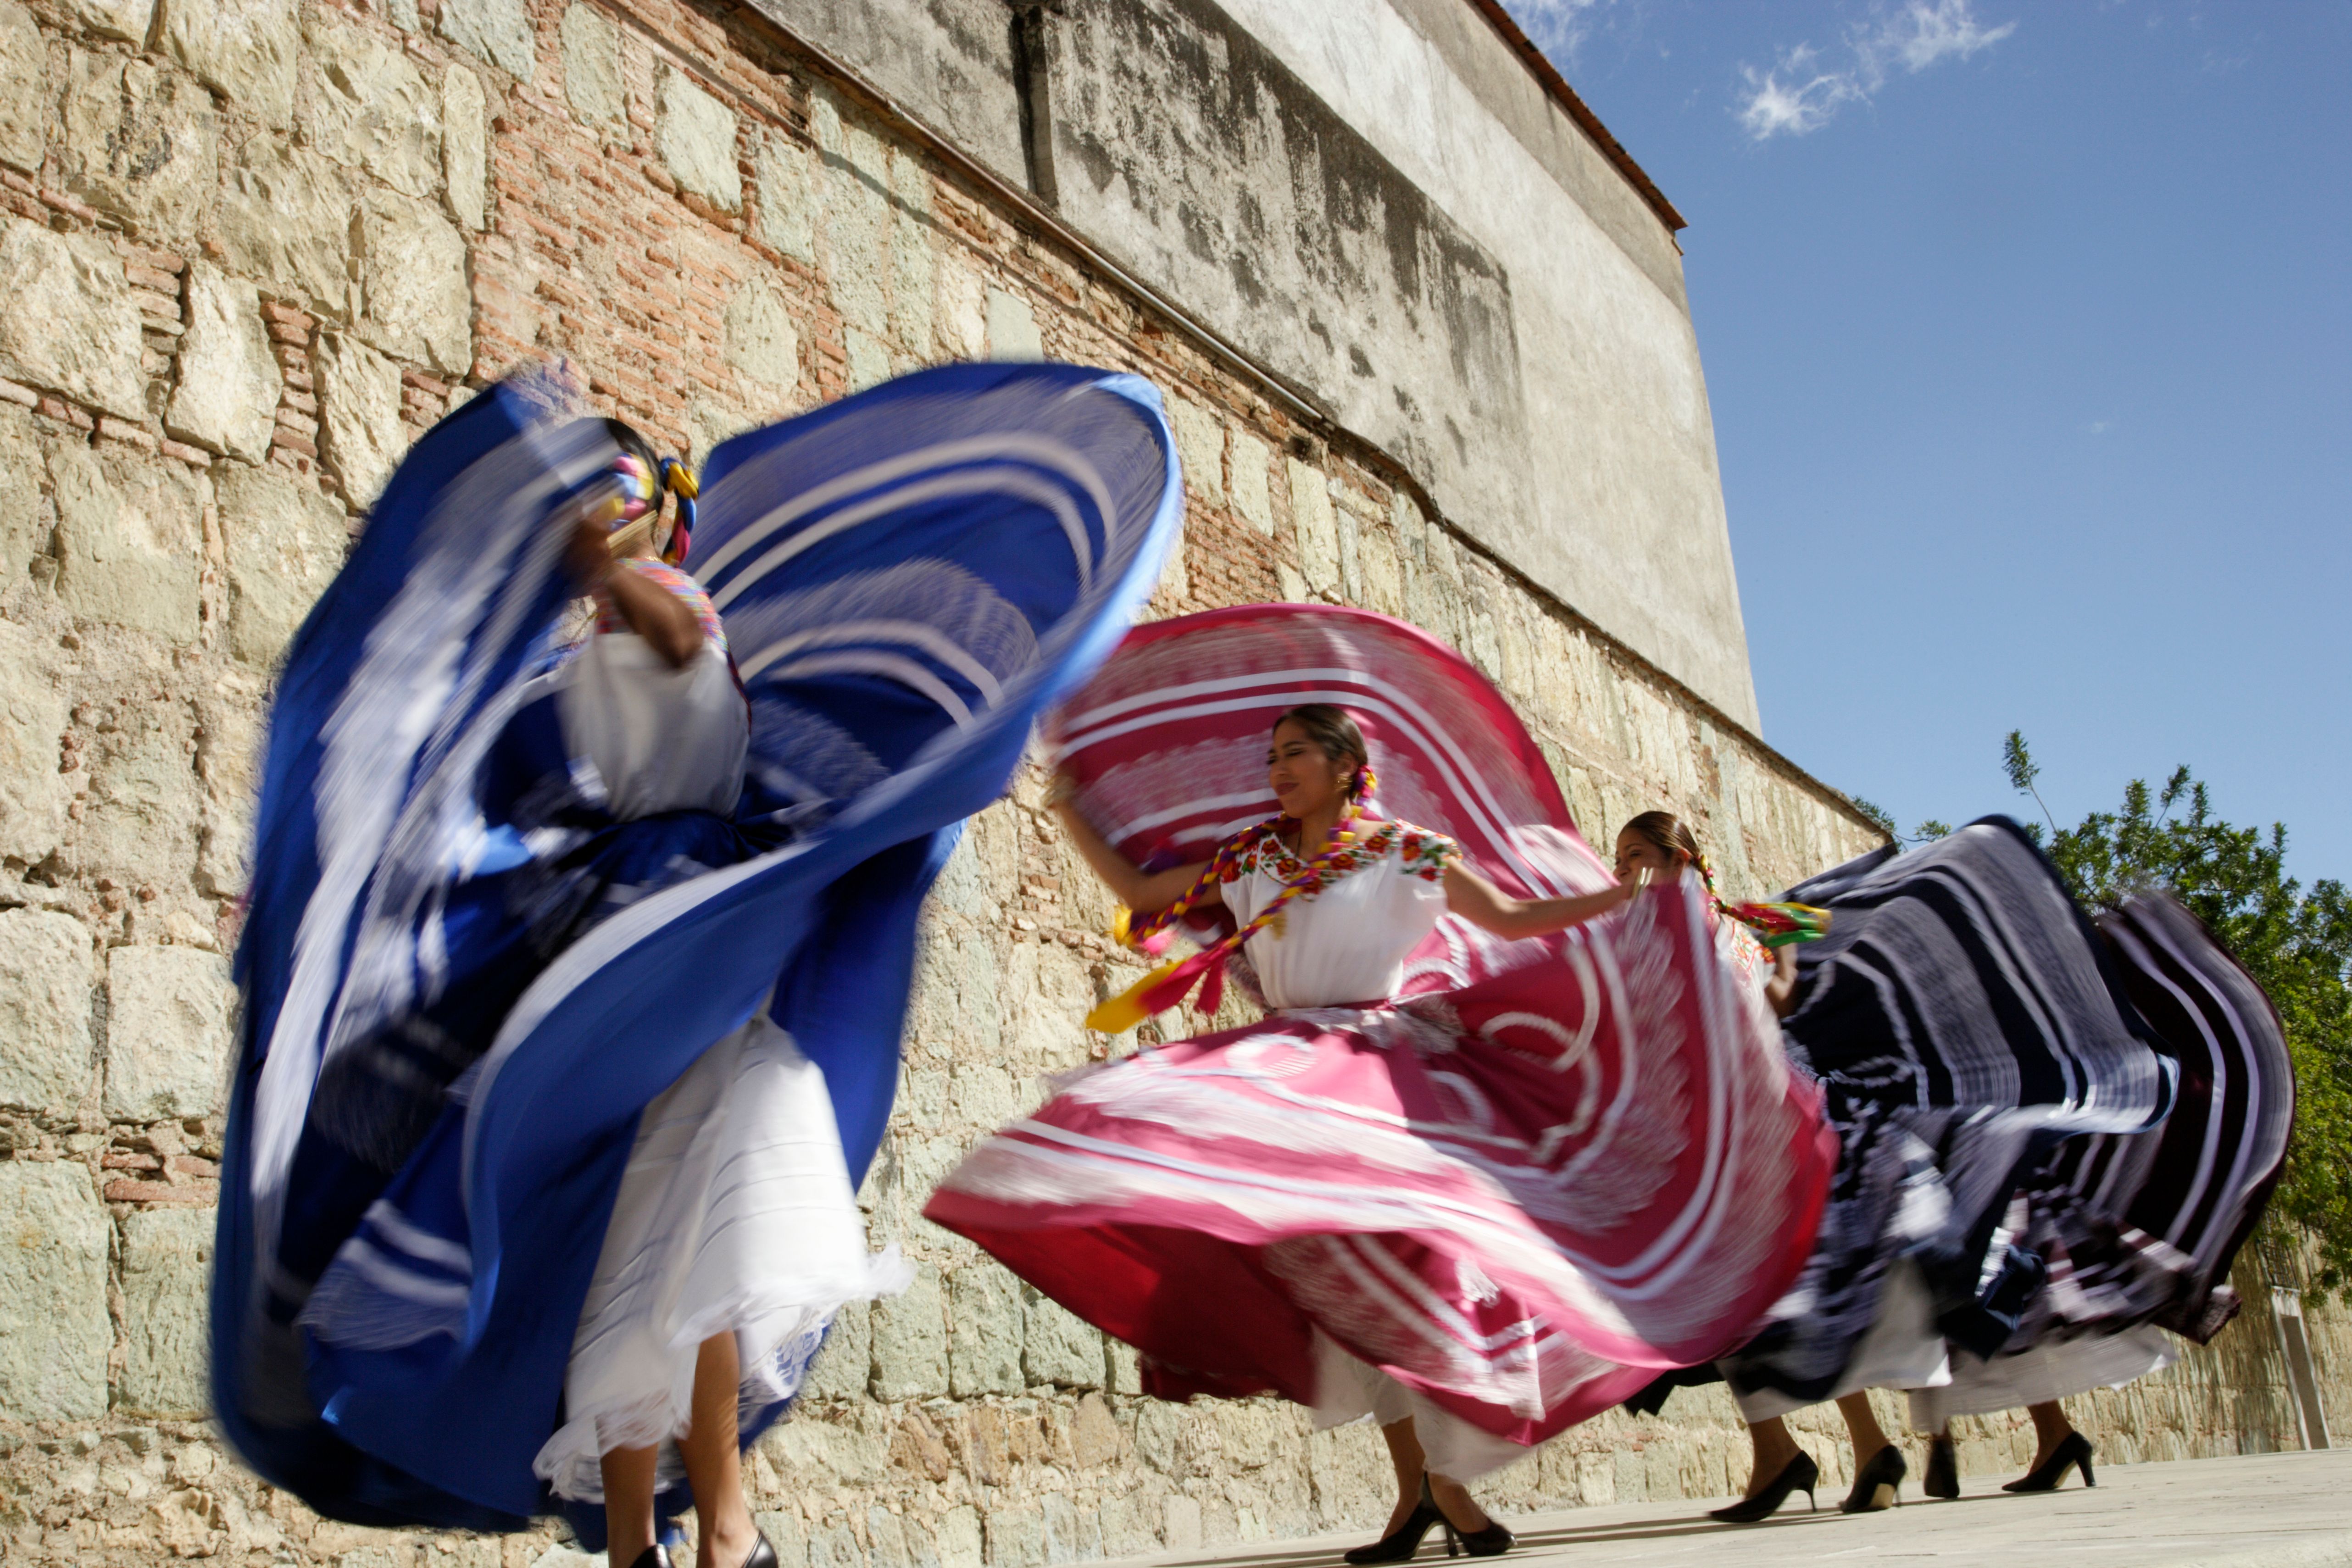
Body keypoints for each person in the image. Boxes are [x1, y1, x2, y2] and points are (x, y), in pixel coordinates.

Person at [216, 361, 1186, 1557]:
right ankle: (704, 1528)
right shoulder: (594, 662)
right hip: (651, 955)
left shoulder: (660, 625)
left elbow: (641, 656)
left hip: (678, 950)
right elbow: (480, 795)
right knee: (680, 1217)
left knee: (654, 1229)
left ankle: (665, 1532)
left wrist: (602, 551)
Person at [924, 604, 1838, 1563]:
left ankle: (1443, 1483)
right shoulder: (1252, 855)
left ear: (1341, 763)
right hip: (1287, 1065)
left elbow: (1519, 922)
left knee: (1416, 1275)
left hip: (1381, 1070)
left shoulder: (1406, 850)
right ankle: (1421, 1492)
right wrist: (1069, 807)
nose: (1275, 768)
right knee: (1320, 1274)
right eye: (1271, 753)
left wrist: (1627, 900)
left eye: (1292, 753)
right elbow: (1146, 898)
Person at [1700, 823, 2180, 1523]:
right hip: (1775, 1119)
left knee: (1868, 1284)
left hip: (1819, 1111)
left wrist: (1810, 948)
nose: (1629, 871)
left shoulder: (1742, 922)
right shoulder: (1656, 932)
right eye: (1622, 861)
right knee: (1883, 1288)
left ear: (1688, 860)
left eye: (1641, 857)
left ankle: (1901, 1447)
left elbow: (1843, 923)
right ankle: (1948, 1442)